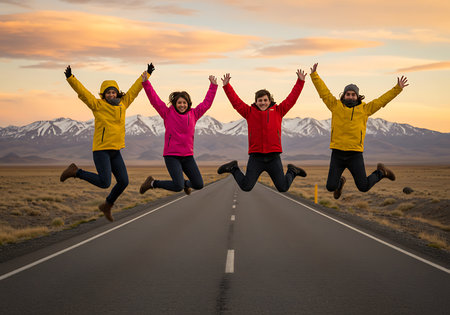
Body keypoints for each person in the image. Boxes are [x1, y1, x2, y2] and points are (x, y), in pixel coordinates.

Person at [59, 64, 152, 221]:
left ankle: (107, 205)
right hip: (101, 150)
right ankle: (75, 172)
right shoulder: (97, 105)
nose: (111, 94)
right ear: (104, 94)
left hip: (116, 151)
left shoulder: (123, 103)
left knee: (124, 181)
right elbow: (83, 93)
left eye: (113, 92)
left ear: (117, 93)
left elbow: (135, 90)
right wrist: (71, 78)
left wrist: (147, 74)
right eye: (108, 92)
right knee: (104, 182)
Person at [309, 63, 409, 199]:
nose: (350, 97)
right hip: (337, 153)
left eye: (353, 95)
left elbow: (381, 101)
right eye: (348, 94)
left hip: (354, 154)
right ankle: (340, 183)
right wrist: (314, 75)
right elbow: (324, 93)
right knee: (330, 186)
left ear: (358, 97)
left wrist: (398, 88)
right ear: (343, 96)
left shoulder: (365, 109)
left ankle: (381, 173)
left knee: (363, 187)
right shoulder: (335, 106)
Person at [217, 70, 307, 192]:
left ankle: (292, 171)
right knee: (246, 186)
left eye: (265, 100)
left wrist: (300, 82)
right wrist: (227, 86)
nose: (263, 103)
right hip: (256, 157)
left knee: (283, 187)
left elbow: (292, 99)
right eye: (260, 100)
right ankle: (234, 168)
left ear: (270, 101)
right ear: (256, 102)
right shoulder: (249, 112)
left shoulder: (278, 111)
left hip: (273, 157)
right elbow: (236, 102)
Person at [139, 65, 218, 195]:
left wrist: (213, 87)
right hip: (172, 156)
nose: (182, 105)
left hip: (187, 156)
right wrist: (146, 83)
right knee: (177, 186)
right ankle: (152, 183)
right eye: (179, 103)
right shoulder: (167, 113)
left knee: (198, 184)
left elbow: (206, 103)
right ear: (175, 103)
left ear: (188, 103)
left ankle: (186, 184)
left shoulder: (194, 114)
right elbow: (155, 100)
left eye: (184, 103)